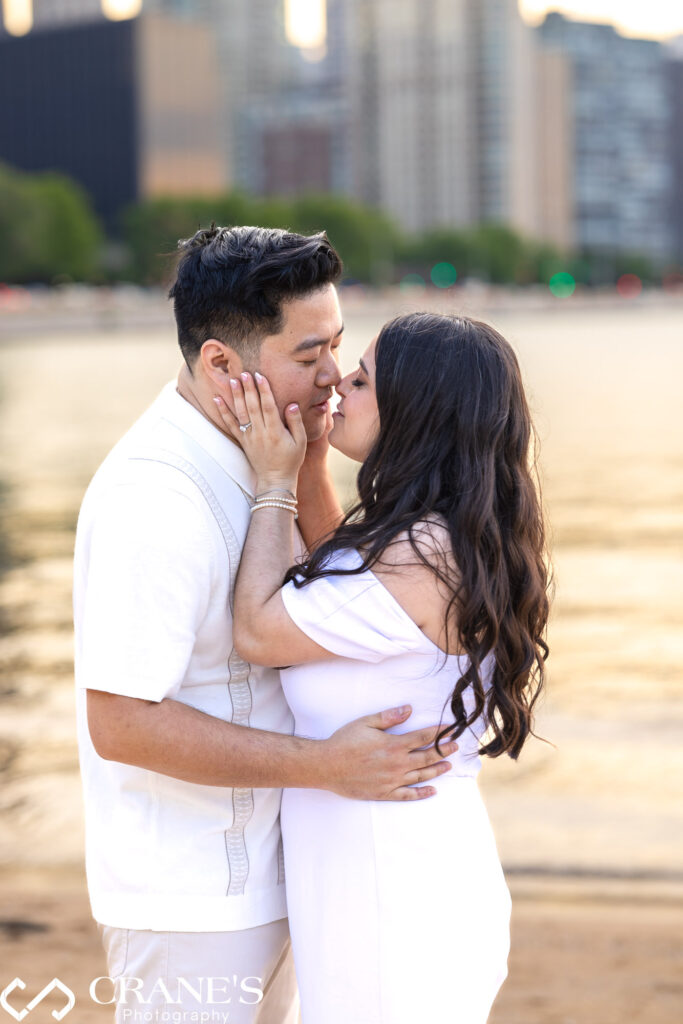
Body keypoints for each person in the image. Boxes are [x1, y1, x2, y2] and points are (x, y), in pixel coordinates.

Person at [73, 228, 459, 1024]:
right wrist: (326, 766)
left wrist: (307, 459)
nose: (335, 378)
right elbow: (120, 722)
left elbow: (340, 594)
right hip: (193, 899)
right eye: (309, 353)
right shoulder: (156, 497)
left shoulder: (265, 449)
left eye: (340, 347)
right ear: (221, 364)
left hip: (287, 874)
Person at [213, 311, 551, 1024]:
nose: (336, 384)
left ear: (416, 410)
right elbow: (336, 573)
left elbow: (260, 629)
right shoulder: (435, 532)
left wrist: (271, 481)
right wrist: (306, 461)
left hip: (394, 887)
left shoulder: (422, 555)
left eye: (362, 379)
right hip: (384, 868)